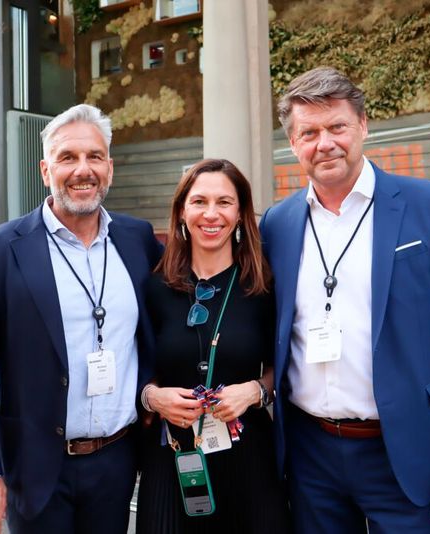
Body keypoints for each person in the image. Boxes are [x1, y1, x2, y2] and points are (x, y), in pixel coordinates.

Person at [259, 66, 430, 533]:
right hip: (311, 458)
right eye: (308, 132)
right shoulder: (277, 224)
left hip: (407, 453)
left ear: (363, 126)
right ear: (293, 145)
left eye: (337, 127)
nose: (324, 142)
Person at [0, 104, 163, 534]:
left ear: (110, 167)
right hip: (37, 468)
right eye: (68, 157)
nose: (82, 169)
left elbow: (166, 326)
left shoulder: (138, 239)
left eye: (94, 156)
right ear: (46, 170)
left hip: (118, 461)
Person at [137, 159, 291, 533]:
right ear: (181, 211)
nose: (211, 214)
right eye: (199, 201)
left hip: (248, 455)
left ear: (240, 214)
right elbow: (139, 367)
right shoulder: (155, 286)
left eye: (224, 202)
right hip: (173, 454)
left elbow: (281, 366)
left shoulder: (263, 285)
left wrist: (255, 391)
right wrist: (153, 398)